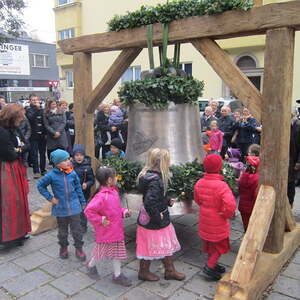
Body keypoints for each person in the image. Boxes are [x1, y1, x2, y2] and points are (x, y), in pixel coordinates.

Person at [136, 148, 185, 282]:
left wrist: (167, 201)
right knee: (153, 244)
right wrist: (158, 216)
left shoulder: (148, 176)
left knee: (161, 244)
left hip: (150, 218)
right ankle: (144, 271)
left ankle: (169, 270)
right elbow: (150, 202)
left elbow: (152, 197)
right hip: (155, 220)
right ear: (163, 163)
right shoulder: (156, 180)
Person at [84, 167, 132, 286]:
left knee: (117, 253)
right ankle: (91, 266)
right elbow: (88, 211)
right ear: (110, 180)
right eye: (115, 176)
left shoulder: (113, 192)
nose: (116, 178)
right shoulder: (101, 196)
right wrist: (101, 220)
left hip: (116, 231)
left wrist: (124, 212)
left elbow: (115, 210)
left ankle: (117, 275)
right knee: (100, 252)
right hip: (106, 232)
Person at [37, 149, 87, 261]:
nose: (68, 161)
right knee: (62, 231)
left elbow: (78, 188)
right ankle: (63, 247)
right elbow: (40, 185)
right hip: (61, 209)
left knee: (77, 230)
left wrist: (83, 202)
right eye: (65, 160)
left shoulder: (72, 173)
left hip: (74, 207)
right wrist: (50, 198)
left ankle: (79, 248)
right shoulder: (51, 176)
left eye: (68, 159)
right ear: (57, 163)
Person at [194, 154, 236, 280]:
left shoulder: (199, 182)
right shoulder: (222, 185)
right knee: (220, 246)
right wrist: (226, 214)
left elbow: (197, 200)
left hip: (205, 220)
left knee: (210, 244)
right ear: (219, 167)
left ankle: (213, 263)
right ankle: (210, 266)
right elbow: (230, 205)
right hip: (218, 221)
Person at [0, 104, 31, 248]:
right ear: (12, 117)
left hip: (16, 168)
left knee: (20, 200)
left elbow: (27, 145)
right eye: (19, 117)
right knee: (9, 202)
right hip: (6, 170)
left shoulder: (14, 128)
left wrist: (18, 149)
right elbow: (9, 155)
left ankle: (19, 233)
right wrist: (19, 149)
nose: (21, 120)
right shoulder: (2, 131)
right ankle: (7, 237)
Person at [72, 144, 95, 233]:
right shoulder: (70, 166)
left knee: (82, 211)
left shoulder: (88, 167)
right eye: (77, 155)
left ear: (84, 156)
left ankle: (83, 226)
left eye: (81, 155)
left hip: (84, 193)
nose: (79, 157)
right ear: (74, 156)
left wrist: (87, 184)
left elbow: (92, 180)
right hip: (73, 193)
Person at [26, 94, 47, 178]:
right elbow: (30, 118)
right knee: (34, 154)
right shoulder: (28, 110)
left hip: (42, 135)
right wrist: (36, 109)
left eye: (36, 100)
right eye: (33, 100)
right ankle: (36, 171)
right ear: (30, 101)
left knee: (42, 153)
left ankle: (43, 169)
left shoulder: (42, 110)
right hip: (33, 135)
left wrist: (45, 133)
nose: (35, 101)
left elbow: (45, 122)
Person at [238, 156, 260, 231]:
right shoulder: (257, 179)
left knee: (246, 225)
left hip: (242, 206)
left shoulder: (242, 176)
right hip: (252, 208)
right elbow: (255, 196)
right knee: (254, 227)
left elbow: (240, 190)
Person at [288, 113, 300, 207]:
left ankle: (290, 204)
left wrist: (298, 162)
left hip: (293, 159)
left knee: (290, 182)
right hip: (286, 159)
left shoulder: (297, 126)